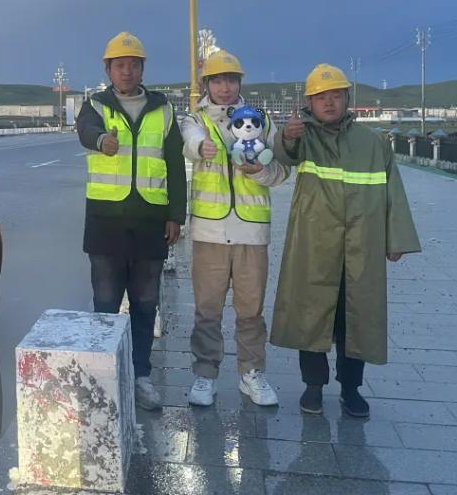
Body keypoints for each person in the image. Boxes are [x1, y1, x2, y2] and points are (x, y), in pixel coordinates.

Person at [271, 63, 421, 417]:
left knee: (355, 319)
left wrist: (395, 238)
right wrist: (287, 136)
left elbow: (394, 192)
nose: (329, 102)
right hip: (315, 245)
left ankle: (351, 389)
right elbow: (283, 155)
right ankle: (313, 386)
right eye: (321, 96)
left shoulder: (373, 143)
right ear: (309, 102)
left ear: (347, 99)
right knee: (312, 316)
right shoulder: (304, 136)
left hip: (360, 246)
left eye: (335, 95)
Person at [76, 31, 187, 411]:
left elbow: (175, 165)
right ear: (108, 69)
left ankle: (141, 376)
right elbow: (86, 131)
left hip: (150, 222)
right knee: (105, 303)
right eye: (120, 65)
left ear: (142, 69)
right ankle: (104, 376)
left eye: (134, 65)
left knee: (145, 303)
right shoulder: (95, 105)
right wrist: (100, 141)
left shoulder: (163, 109)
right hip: (105, 223)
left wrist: (176, 215)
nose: (127, 71)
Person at [179, 50, 290, 407]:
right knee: (207, 310)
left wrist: (261, 172)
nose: (225, 88)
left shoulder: (263, 121)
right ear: (207, 85)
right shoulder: (195, 119)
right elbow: (190, 142)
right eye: (217, 81)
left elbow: (282, 171)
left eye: (231, 80)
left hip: (251, 232)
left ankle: (251, 373)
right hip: (209, 232)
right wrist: (202, 147)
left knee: (251, 311)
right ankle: (205, 374)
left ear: (240, 83)